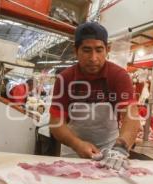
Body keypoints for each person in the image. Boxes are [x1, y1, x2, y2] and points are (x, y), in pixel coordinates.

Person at [49, 22, 140, 170]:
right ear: (76, 50)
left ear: (107, 49)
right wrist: (77, 144)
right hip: (73, 151)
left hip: (111, 151)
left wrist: (120, 148)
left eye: (99, 50)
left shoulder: (118, 76)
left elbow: (132, 117)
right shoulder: (65, 79)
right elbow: (56, 123)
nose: (93, 58)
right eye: (86, 50)